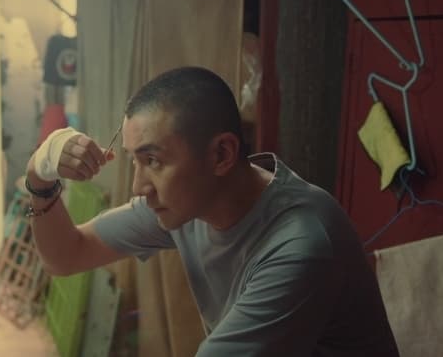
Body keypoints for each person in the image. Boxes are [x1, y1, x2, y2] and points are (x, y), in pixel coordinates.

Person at [24, 66, 399, 356]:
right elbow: (66, 255)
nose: (138, 186)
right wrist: (40, 174)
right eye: (134, 160)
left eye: (153, 160)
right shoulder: (186, 203)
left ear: (221, 154)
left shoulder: (301, 244)